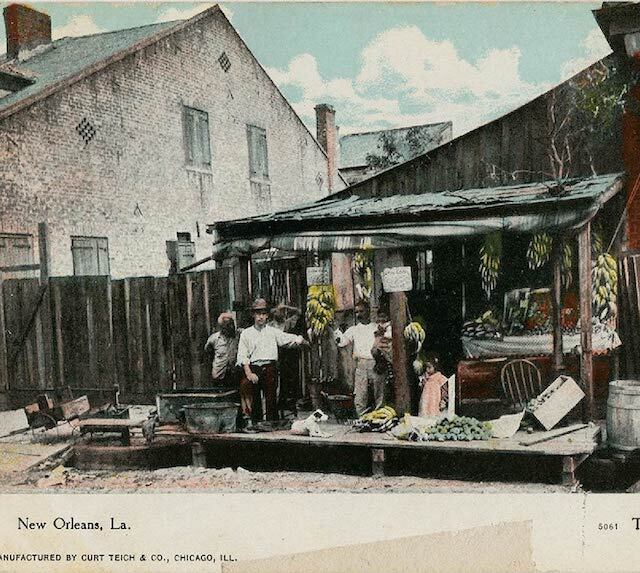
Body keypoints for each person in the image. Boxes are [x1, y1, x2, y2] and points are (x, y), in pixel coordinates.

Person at [237, 298, 308, 424]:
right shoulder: (246, 334)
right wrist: (249, 373)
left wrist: (301, 340)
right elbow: (243, 355)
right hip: (254, 368)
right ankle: (256, 423)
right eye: (258, 314)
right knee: (255, 399)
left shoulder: (272, 332)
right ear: (253, 315)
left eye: (263, 314)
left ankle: (271, 424)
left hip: (270, 367)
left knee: (271, 397)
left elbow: (286, 339)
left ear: (267, 316)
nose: (260, 317)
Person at [335, 303, 385, 416]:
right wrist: (337, 331)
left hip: (375, 362)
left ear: (368, 311)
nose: (359, 314)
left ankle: (380, 418)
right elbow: (342, 342)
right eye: (357, 312)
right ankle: (362, 417)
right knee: (360, 393)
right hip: (361, 363)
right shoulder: (353, 329)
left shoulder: (376, 327)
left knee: (379, 392)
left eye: (361, 311)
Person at [203, 312, 239, 387]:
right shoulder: (214, 339)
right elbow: (207, 354)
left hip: (234, 374)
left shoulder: (239, 336)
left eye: (232, 324)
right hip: (219, 375)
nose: (232, 327)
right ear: (222, 327)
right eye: (228, 325)